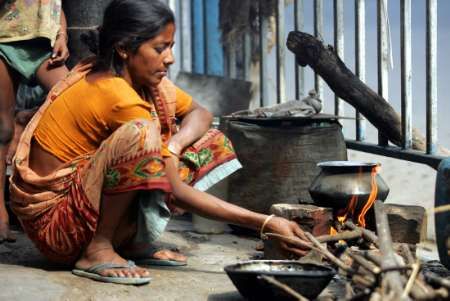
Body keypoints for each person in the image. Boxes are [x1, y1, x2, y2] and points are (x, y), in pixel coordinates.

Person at [9, 0, 309, 285]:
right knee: (141, 135)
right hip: (58, 229)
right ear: (124, 49)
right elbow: (175, 192)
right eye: (160, 48)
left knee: (206, 141)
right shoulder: (116, 94)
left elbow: (200, 113)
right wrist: (266, 223)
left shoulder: (134, 79)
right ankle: (97, 250)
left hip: (79, 208)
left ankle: (131, 242)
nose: (170, 58)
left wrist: (174, 147)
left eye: (171, 46)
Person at [0, 0, 70, 242]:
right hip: (4, 38)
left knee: (71, 100)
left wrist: (62, 35)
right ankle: (0, 214)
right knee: (2, 129)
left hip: (45, 46)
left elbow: (57, 4)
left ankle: (26, 119)